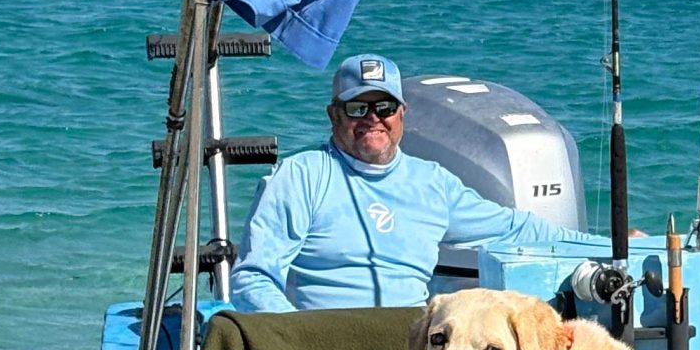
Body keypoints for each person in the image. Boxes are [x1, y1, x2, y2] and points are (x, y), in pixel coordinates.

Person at [231, 55, 548, 313]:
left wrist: (581, 245)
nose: (372, 118)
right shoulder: (299, 176)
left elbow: (516, 228)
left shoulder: (432, 182)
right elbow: (253, 278)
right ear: (333, 115)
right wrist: (297, 338)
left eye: (385, 108)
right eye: (357, 108)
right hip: (323, 343)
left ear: (402, 114)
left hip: (407, 343)